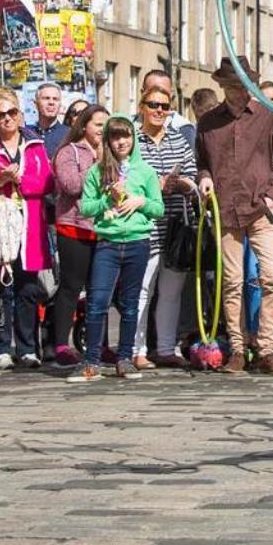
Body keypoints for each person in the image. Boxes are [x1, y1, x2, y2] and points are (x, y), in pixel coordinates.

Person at [195, 56, 273, 374]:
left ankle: (267, 348)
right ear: (222, 87)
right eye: (231, 86)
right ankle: (238, 348)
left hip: (260, 208)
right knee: (233, 282)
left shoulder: (269, 117)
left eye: (242, 86)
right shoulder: (209, 123)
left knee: (270, 279)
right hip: (226, 208)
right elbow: (203, 163)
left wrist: (271, 194)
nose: (238, 92)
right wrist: (204, 178)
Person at [0, 87, 53, 369]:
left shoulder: (35, 143)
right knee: (0, 288)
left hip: (29, 224)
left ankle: (27, 348)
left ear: (20, 113)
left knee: (27, 288)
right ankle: (2, 346)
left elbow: (46, 183)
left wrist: (20, 181)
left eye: (11, 113)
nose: (6, 119)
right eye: (0, 115)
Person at [72, 115, 162, 383]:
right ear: (108, 140)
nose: (122, 142)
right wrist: (105, 199)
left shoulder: (144, 171)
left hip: (137, 242)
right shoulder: (97, 171)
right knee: (97, 302)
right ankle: (92, 360)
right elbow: (85, 208)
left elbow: (158, 208)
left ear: (133, 138)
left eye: (126, 136)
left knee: (130, 304)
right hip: (108, 244)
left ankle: (125, 358)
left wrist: (140, 201)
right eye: (116, 137)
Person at [130, 78, 197, 368]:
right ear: (142, 107)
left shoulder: (179, 140)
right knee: (142, 290)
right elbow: (124, 179)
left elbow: (192, 177)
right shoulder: (132, 140)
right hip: (144, 225)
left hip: (174, 225)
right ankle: (137, 349)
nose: (159, 111)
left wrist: (181, 183)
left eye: (164, 107)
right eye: (153, 105)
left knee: (171, 291)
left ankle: (166, 348)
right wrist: (153, 185)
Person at [48, 106, 107, 367]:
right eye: (98, 124)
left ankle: (98, 344)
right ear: (84, 126)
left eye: (107, 125)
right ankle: (61, 344)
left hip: (104, 228)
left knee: (99, 290)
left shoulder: (111, 152)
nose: (103, 130)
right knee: (71, 286)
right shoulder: (68, 152)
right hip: (74, 226)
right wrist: (99, 165)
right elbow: (72, 185)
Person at [30, 83, 69, 154]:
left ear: (60, 105)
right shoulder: (27, 134)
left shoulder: (69, 135)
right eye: (46, 98)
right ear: (35, 104)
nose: (51, 102)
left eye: (55, 99)